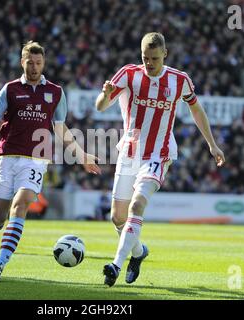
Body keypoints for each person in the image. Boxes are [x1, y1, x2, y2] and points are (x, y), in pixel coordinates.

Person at [95, 32, 225, 286]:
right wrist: (106, 94)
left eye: (154, 58)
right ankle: (139, 252)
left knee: (136, 207)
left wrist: (212, 144)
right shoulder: (128, 74)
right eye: (145, 58)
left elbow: (196, 108)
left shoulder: (179, 80)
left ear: (165, 54)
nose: (149, 63)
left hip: (159, 153)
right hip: (129, 152)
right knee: (117, 217)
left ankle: (115, 265)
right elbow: (100, 106)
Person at [0, 41, 100, 282]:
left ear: (44, 63)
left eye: (38, 63)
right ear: (22, 62)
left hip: (35, 160)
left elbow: (60, 129)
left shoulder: (56, 92)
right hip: (6, 157)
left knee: (21, 204)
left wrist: (81, 155)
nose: (34, 67)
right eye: (30, 62)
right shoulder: (10, 89)